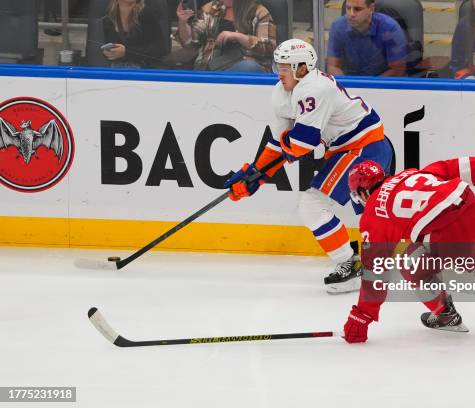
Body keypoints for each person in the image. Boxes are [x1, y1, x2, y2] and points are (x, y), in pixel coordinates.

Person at [223, 39, 394, 293]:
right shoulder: (282, 93)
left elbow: (302, 143)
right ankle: (365, 265)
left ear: (302, 68)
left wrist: (262, 171)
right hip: (351, 147)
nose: (278, 73)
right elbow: (280, 144)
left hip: (363, 148)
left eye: (284, 67)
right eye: (277, 66)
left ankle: (351, 265)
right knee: (367, 213)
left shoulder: (315, 88)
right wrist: (254, 175)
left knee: (314, 205)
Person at [342, 157, 475, 343]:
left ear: (362, 191)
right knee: (474, 258)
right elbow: (467, 165)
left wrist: (362, 315)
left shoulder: (373, 214)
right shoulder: (410, 174)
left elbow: (374, 272)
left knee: (411, 265)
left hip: (449, 232)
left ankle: (445, 315)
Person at [175, 0, 276, 72]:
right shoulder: (211, 8)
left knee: (249, 67)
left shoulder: (259, 12)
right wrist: (183, 22)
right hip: (211, 67)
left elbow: (269, 47)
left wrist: (238, 36)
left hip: (243, 66)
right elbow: (190, 43)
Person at [326, 0, 408, 77]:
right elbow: (333, 66)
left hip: (382, 86)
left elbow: (398, 70)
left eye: (357, 9)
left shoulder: (390, 28)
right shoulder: (338, 26)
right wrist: (348, 86)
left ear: (371, 8)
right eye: (348, 8)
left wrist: (370, 87)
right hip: (348, 83)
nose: (351, 14)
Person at [102, 0, 167, 68]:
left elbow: (160, 49)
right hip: (119, 68)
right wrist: (110, 53)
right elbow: (111, 49)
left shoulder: (146, 13)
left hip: (146, 68)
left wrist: (126, 52)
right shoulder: (109, 18)